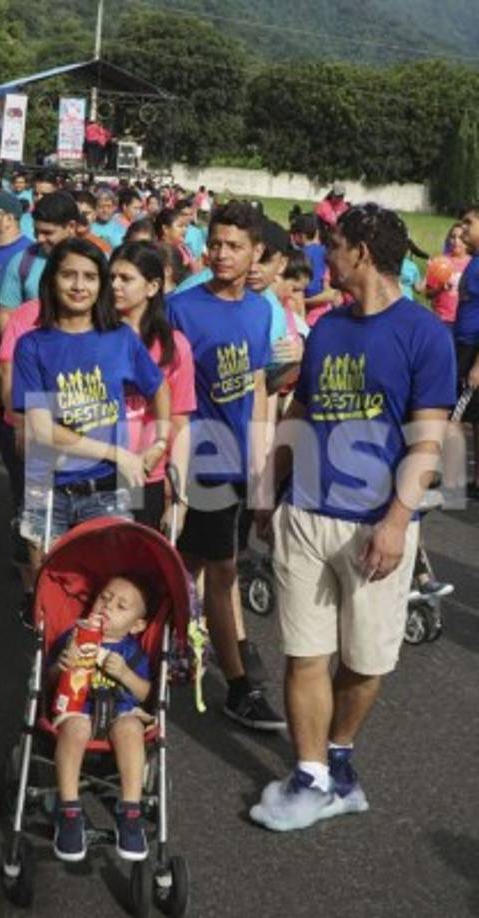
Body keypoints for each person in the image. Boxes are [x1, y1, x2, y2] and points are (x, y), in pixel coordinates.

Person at [250, 203, 455, 832]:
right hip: (307, 513)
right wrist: (267, 487)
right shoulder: (330, 329)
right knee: (304, 653)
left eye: (333, 246)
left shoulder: (424, 334)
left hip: (376, 523)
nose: (323, 258)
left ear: (361, 252)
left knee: (366, 661)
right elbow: (300, 414)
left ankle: (339, 754)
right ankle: (310, 773)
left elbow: (427, 442)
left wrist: (397, 519)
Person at [167, 201, 285, 730]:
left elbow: (257, 387)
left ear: (256, 251)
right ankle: (239, 687)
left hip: (239, 462)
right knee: (223, 571)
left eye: (234, 246)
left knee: (187, 564)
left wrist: (261, 468)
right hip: (198, 460)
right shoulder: (182, 308)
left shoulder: (261, 309)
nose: (220, 254)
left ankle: (162, 650)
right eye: (214, 243)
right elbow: (165, 390)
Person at [12, 237, 170, 578]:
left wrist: (160, 441)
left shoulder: (121, 339)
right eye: (69, 275)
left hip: (106, 493)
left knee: (101, 596)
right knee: (52, 601)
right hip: (46, 490)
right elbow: (42, 430)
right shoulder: (31, 345)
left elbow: (159, 387)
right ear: (52, 279)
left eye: (90, 276)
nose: (79, 286)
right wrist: (118, 453)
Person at [49, 575, 155, 862]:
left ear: (136, 625)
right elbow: (48, 681)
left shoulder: (132, 651)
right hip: (78, 707)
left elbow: (146, 693)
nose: (107, 607)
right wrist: (61, 666)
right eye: (104, 598)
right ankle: (69, 808)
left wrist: (125, 674)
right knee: (76, 727)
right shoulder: (73, 636)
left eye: (121, 606)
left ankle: (130, 810)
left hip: (120, 711)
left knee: (131, 729)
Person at [110, 241, 195, 532]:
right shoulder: (92, 338)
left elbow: (179, 423)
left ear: (152, 286)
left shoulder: (175, 346)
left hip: (148, 478)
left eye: (126, 279)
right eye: (111, 278)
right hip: (96, 474)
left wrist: (180, 501)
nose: (115, 286)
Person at [0, 191, 80, 334]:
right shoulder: (22, 262)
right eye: (37, 231)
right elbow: (6, 315)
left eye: (48, 233)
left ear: (71, 227)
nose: (40, 239)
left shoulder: (95, 260)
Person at [454, 204, 479, 499]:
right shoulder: (474, 261)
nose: (462, 230)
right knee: (471, 416)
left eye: (468, 223)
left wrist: (477, 365)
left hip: (473, 348)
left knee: (456, 414)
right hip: (462, 343)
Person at [426, 222, 470, 331]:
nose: (456, 241)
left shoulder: (473, 264)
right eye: (453, 237)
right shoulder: (440, 261)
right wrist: (440, 288)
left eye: (461, 238)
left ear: (468, 239)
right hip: (441, 320)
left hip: (464, 321)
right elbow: (428, 294)